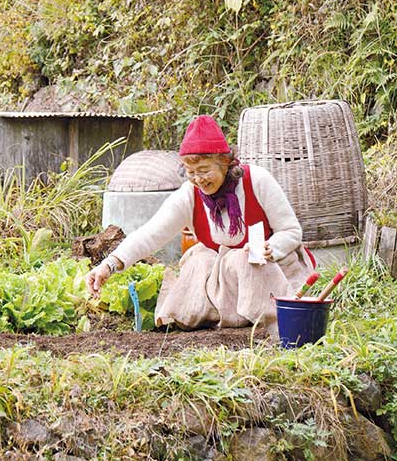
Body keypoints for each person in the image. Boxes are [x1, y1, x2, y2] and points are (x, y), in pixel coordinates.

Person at [86, 115, 314, 334]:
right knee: (199, 259)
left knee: (242, 258)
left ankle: (264, 317)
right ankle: (221, 318)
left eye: (205, 170)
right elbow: (150, 233)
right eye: (191, 172)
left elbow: (291, 231)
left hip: (266, 271)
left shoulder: (257, 181)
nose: (199, 179)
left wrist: (271, 248)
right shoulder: (190, 195)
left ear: (225, 162)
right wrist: (109, 266)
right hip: (223, 280)